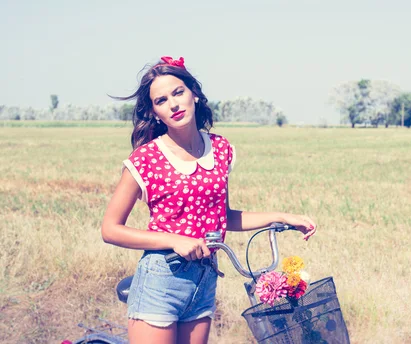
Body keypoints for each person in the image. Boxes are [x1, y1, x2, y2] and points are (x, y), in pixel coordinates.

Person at [101, 56, 316, 344]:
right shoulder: (146, 159)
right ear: (155, 112)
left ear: (195, 94)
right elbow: (110, 229)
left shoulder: (221, 148)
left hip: (205, 281)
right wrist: (174, 239)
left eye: (178, 93)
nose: (174, 104)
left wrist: (281, 216)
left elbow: (221, 216)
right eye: (162, 100)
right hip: (161, 280)